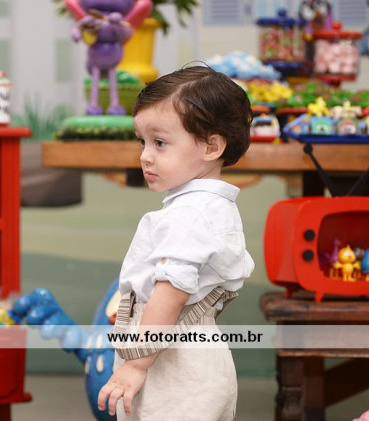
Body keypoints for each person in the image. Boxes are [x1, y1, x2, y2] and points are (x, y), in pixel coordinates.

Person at [97, 65, 255, 420]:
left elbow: (171, 294)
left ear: (211, 147)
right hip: (191, 355)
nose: (145, 155)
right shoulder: (211, 207)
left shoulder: (190, 214)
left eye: (160, 142)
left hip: (171, 363)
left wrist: (136, 364)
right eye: (142, 141)